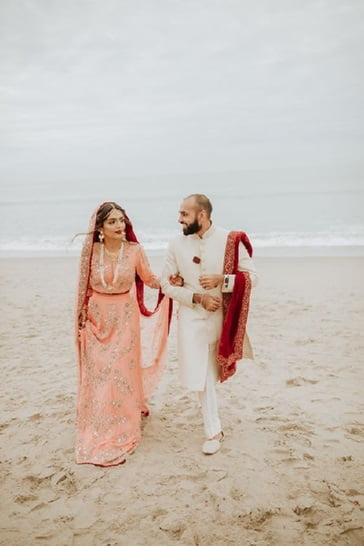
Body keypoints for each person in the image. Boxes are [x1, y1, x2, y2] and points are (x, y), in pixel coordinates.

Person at [75, 201, 172, 466]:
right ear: (100, 228)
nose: (120, 226)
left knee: (119, 370)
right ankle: (100, 416)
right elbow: (83, 285)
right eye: (113, 222)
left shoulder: (134, 251)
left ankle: (123, 419)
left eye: (122, 221)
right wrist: (82, 313)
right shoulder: (91, 252)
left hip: (125, 318)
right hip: (96, 318)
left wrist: (170, 281)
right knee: (100, 371)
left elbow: (149, 278)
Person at [160, 194, 257, 455]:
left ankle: (212, 421)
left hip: (222, 319)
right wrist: (197, 298)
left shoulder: (229, 240)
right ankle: (213, 430)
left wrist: (222, 280)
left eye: (184, 214)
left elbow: (252, 277)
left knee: (212, 373)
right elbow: (166, 284)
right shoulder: (176, 244)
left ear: (201, 215)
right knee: (201, 375)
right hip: (191, 318)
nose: (179, 219)